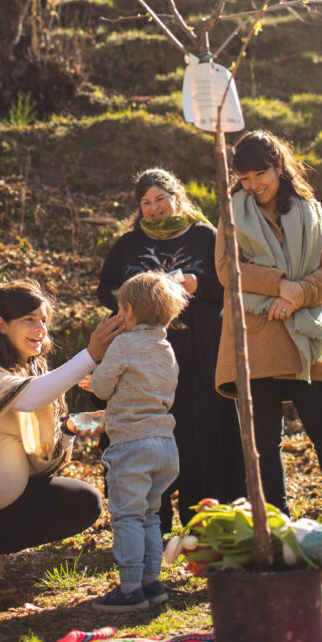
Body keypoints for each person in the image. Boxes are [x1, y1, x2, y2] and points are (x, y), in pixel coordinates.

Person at [216, 130, 322, 560]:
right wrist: (280, 284)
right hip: (256, 338)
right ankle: (278, 536)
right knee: (264, 445)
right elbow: (225, 268)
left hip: (306, 337)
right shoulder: (231, 213)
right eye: (245, 175)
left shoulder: (311, 210)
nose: (253, 183)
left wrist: (296, 293)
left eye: (261, 173)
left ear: (280, 167)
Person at [0, 281, 122, 607]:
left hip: (1, 510)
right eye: (29, 319)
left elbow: (40, 463)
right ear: (1, 325)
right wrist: (89, 356)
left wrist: (69, 429)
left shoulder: (36, 373)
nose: (41, 328)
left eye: (44, 320)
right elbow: (30, 398)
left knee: (84, 500)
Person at [96, 168, 245, 531]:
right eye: (146, 203)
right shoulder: (127, 244)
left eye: (160, 198)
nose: (154, 208)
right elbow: (105, 290)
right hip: (141, 358)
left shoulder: (206, 236)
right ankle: (151, 522)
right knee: (149, 431)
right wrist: (136, 296)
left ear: (177, 197)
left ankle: (205, 521)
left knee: (202, 432)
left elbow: (233, 282)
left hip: (199, 354)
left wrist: (199, 283)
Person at [89, 271, 187, 612]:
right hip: (164, 444)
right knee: (149, 513)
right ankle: (152, 581)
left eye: (119, 310)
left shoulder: (124, 344)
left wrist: (92, 380)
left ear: (128, 311)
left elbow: (102, 388)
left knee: (127, 515)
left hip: (131, 443)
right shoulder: (166, 348)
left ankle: (130, 587)